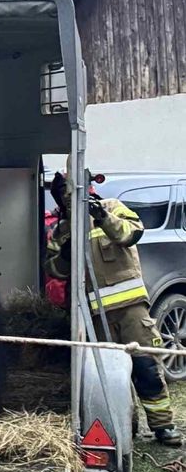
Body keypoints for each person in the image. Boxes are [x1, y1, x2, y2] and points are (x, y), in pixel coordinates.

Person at [46, 167, 183, 446]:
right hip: (95, 317)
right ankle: (124, 424)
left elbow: (131, 234)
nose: (68, 197)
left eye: (72, 190)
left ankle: (163, 426)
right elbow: (53, 270)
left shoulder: (113, 208)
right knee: (106, 374)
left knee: (145, 367)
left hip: (132, 310)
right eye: (63, 193)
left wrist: (102, 217)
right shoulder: (61, 230)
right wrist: (65, 255)